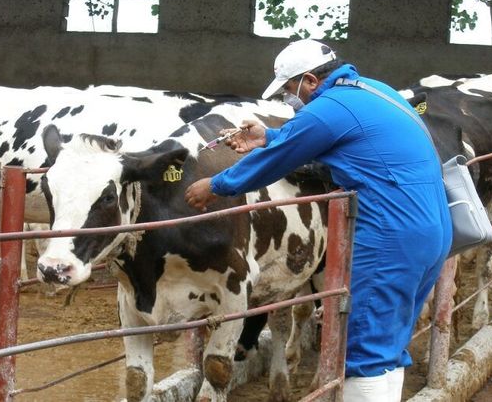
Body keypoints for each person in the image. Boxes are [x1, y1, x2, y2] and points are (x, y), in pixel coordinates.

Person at [184, 39, 452, 402]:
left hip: (390, 236)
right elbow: (320, 137)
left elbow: (277, 161)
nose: (292, 98)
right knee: (389, 342)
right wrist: (269, 136)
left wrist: (215, 184)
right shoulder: (373, 89)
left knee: (363, 350)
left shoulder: (329, 107)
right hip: (432, 227)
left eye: (291, 88)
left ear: (310, 80)